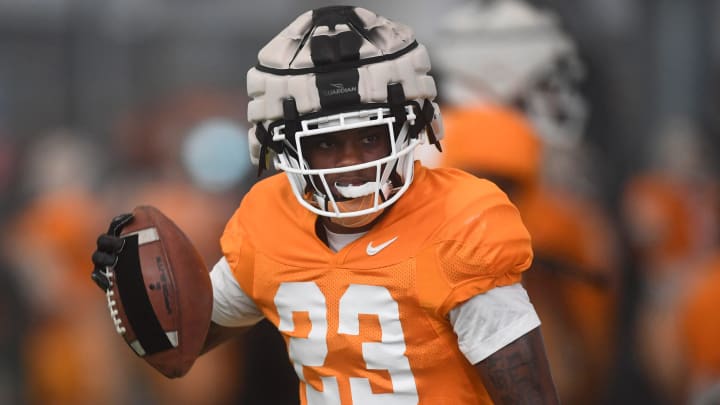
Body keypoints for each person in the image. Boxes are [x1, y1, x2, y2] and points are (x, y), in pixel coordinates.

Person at [91, 6, 558, 404]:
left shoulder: (460, 221)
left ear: (411, 128)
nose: (350, 162)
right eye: (326, 144)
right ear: (285, 147)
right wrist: (129, 286)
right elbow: (180, 350)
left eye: (371, 137)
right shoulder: (268, 219)